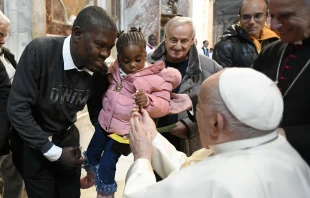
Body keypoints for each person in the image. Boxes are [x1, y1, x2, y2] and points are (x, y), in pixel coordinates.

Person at [124, 68, 310, 198]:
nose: (196, 112)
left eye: (200, 106)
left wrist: (141, 159)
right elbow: (189, 169)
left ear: (216, 123)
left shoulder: (216, 180)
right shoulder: (281, 152)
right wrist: (152, 137)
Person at [6, 6, 117, 198]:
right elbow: (17, 108)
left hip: (67, 142)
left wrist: (115, 141)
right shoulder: (40, 52)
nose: (106, 53)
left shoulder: (98, 72)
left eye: (110, 47)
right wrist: (53, 152)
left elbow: (98, 115)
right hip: (32, 143)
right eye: (100, 45)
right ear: (77, 34)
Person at [80, 28, 181, 198]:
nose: (132, 65)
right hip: (105, 123)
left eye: (138, 59)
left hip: (123, 132)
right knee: (92, 151)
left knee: (108, 163)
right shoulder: (115, 71)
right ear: (119, 58)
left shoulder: (155, 78)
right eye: (126, 60)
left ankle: (105, 193)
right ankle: (91, 176)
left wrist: (148, 101)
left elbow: (164, 105)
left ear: (145, 54)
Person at [147, 16, 222, 156]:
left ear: (192, 40)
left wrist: (191, 126)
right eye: (173, 40)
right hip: (153, 142)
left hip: (190, 145)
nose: (178, 46)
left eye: (184, 41)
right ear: (166, 37)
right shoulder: (148, 64)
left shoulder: (209, 68)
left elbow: (218, 106)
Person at [252, 0, 310, 166]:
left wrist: (285, 135)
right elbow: (243, 88)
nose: (274, 25)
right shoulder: (272, 51)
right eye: (272, 15)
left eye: (285, 16)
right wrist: (194, 100)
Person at [0, 11, 24, 198]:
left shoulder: (6, 55)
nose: (3, 40)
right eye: (0, 34)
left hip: (10, 131)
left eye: (6, 35)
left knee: (14, 179)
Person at [212, 0, 279, 67]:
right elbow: (222, 76)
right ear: (239, 19)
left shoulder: (276, 42)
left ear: (266, 17)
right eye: (246, 17)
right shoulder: (225, 46)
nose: (252, 22)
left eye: (258, 16)